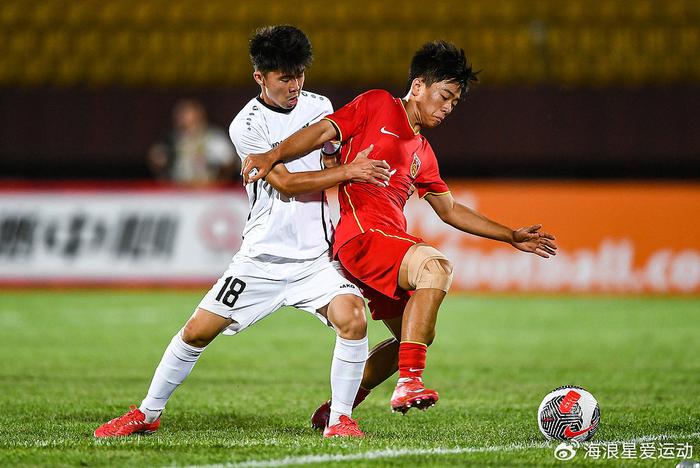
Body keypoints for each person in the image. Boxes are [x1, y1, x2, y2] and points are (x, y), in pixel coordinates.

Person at [94, 25, 390, 439]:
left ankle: (340, 419)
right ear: (260, 77)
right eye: (284, 78)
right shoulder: (246, 125)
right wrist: (349, 172)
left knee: (354, 320)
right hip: (262, 258)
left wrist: (345, 171)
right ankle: (148, 412)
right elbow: (285, 183)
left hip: (315, 258)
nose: (294, 85)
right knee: (196, 331)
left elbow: (329, 163)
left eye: (299, 75)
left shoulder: (320, 106)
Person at [241, 40, 558, 424]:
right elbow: (322, 131)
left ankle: (337, 409)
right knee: (436, 267)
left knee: (417, 334)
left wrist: (509, 235)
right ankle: (409, 382)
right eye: (444, 96)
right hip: (361, 235)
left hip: (384, 243)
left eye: (454, 103)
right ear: (419, 85)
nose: (447, 108)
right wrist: (273, 155)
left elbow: (449, 209)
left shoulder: (422, 151)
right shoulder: (378, 104)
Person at [148, 99, 240, 185]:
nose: (181, 118)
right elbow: (157, 158)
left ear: (199, 115)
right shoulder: (172, 140)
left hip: (208, 190)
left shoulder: (213, 138)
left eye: (185, 114)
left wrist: (220, 181)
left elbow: (230, 162)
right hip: (178, 189)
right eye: (179, 114)